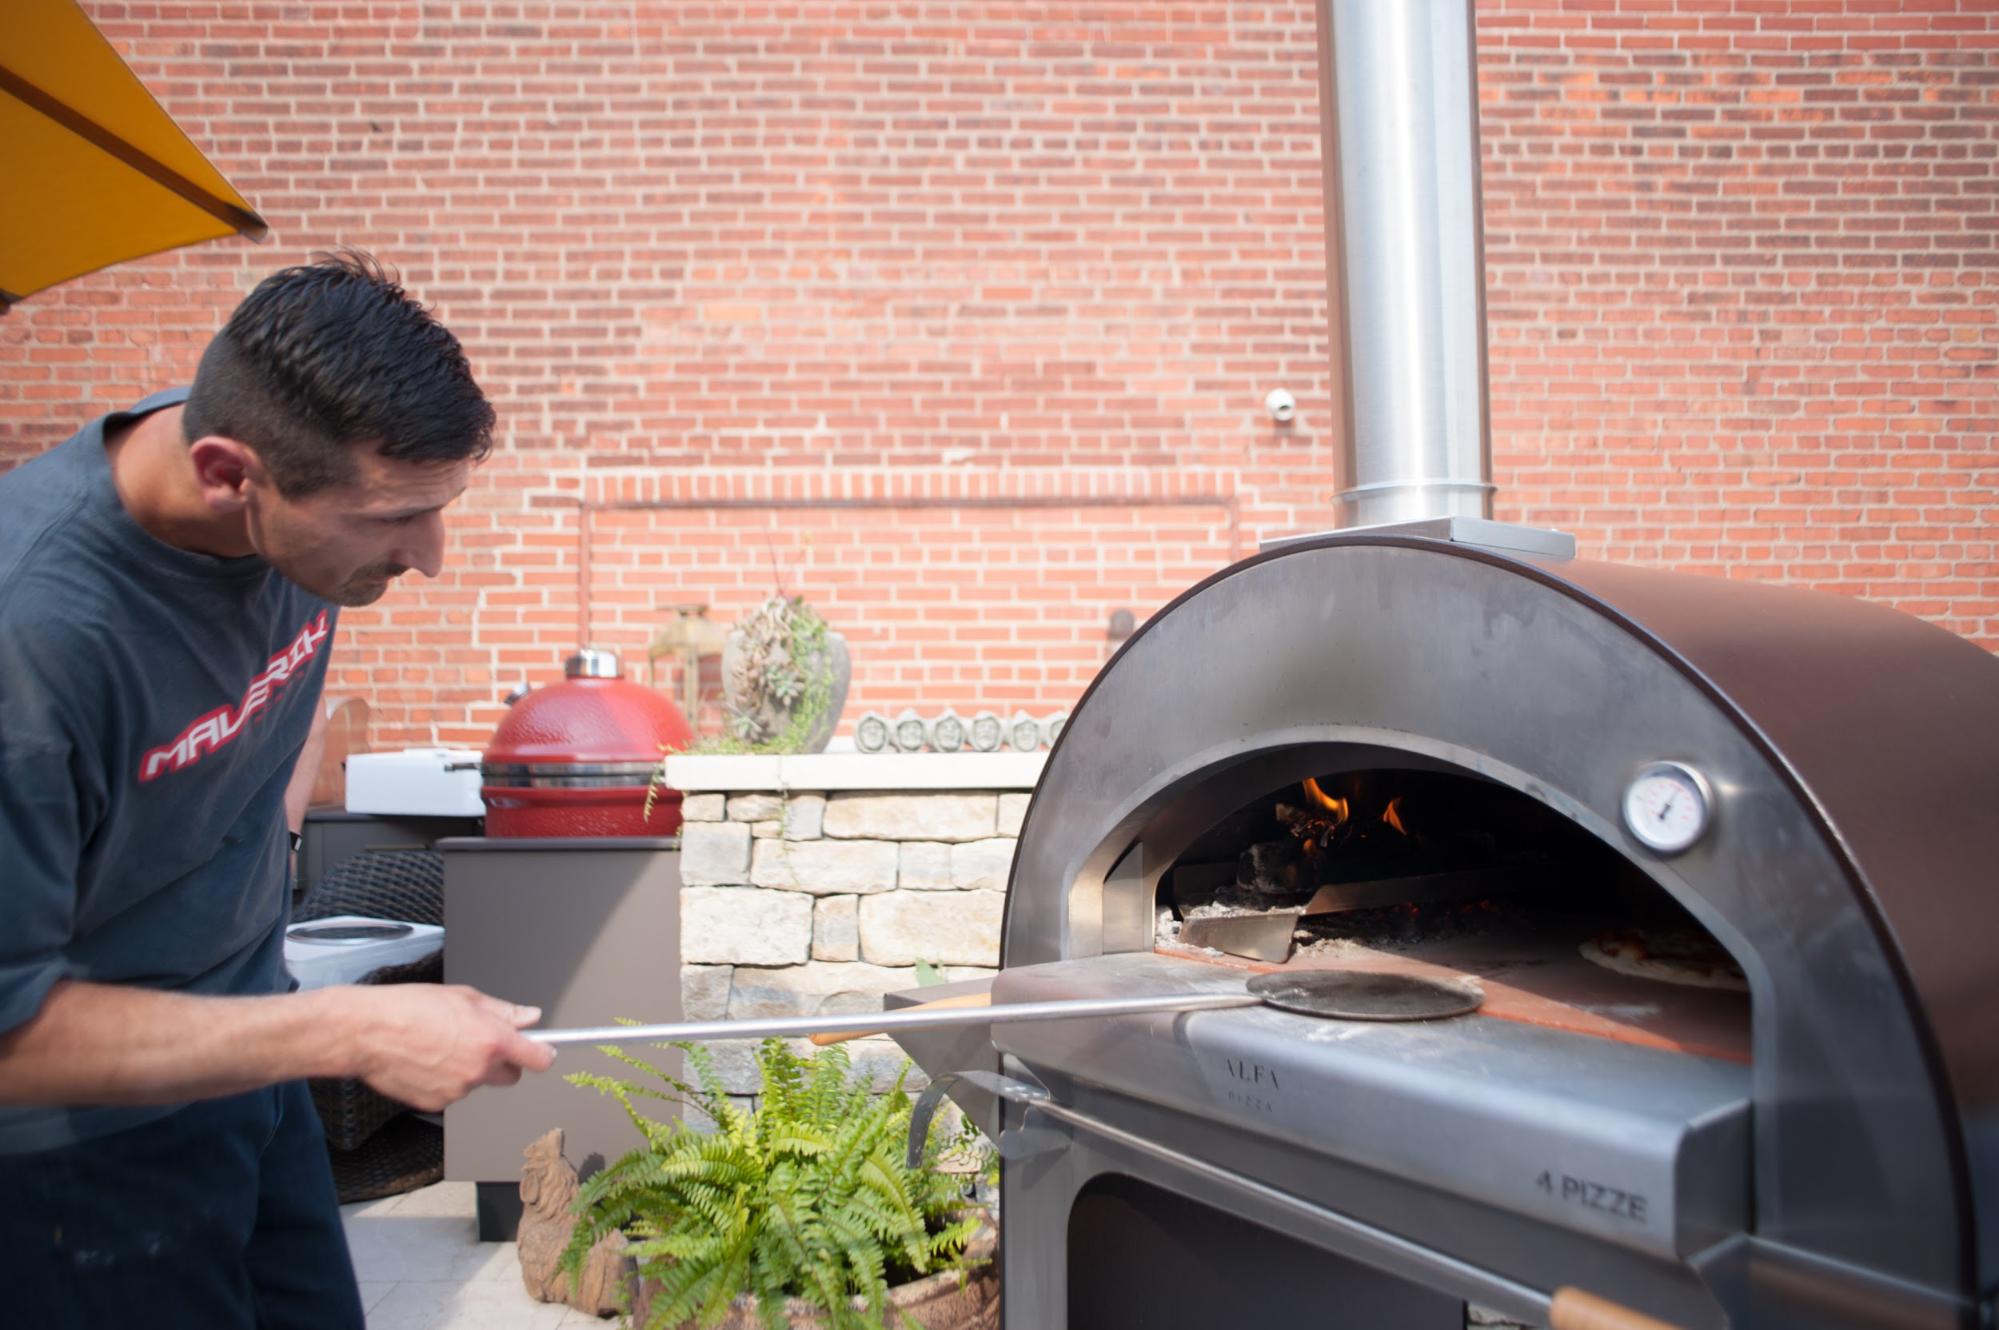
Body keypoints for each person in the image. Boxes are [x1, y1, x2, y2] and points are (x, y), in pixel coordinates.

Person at [0, 252, 556, 1328]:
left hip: (250, 1080)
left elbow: (281, 676)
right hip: (78, 1159)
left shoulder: (280, 488)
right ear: (224, 472)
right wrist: (348, 1032)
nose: (429, 557)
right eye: (397, 518)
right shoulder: (37, 634)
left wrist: (275, 827)